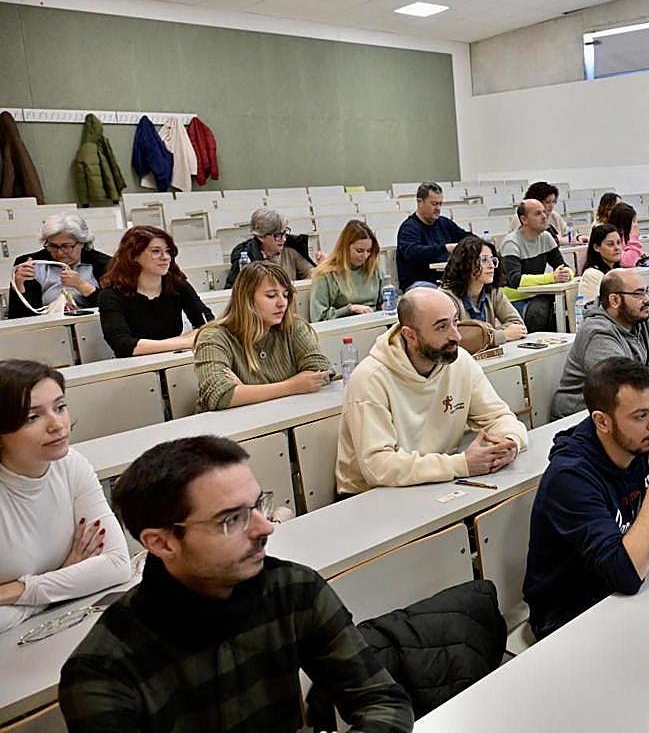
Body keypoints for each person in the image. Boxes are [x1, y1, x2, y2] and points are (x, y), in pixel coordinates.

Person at [58, 435, 414, 731]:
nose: (265, 527)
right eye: (232, 519)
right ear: (162, 543)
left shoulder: (293, 590)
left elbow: (382, 701)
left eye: (257, 505)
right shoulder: (103, 672)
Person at [523, 358, 649, 639]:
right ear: (602, 421)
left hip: (628, 592)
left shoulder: (643, 442)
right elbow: (627, 575)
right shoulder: (570, 477)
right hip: (571, 617)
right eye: (640, 416)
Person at [337, 288, 528, 493]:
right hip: (372, 496)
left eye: (455, 322)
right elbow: (378, 466)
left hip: (435, 482)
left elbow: (498, 417)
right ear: (409, 335)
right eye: (441, 327)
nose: (456, 336)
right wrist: (460, 465)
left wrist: (509, 444)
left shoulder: (459, 361)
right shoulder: (370, 379)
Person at [0, 360, 130, 633]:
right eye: (32, 417)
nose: (57, 424)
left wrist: (18, 591)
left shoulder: (71, 464)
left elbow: (118, 564)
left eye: (60, 407)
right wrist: (65, 579)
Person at [194, 262, 332, 412]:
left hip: (279, 417)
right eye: (271, 296)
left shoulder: (293, 326)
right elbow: (219, 395)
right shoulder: (213, 337)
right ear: (246, 299)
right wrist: (292, 386)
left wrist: (245, 390)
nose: (282, 303)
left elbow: (321, 370)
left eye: (285, 295)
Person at [550, 270, 649, 419]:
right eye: (638, 294)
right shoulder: (597, 333)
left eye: (647, 292)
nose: (647, 300)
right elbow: (627, 387)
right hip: (578, 419)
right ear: (615, 300)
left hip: (622, 409)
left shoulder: (642, 318)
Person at [97, 225, 213, 357]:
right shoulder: (111, 295)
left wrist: (174, 342)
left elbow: (207, 323)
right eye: (156, 251)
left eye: (168, 251)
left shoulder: (176, 284)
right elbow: (123, 345)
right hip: (137, 368)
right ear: (133, 255)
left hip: (174, 361)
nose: (166, 257)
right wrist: (185, 342)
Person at [8, 213, 110, 317]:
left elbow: (117, 308)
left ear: (82, 242)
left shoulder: (104, 264)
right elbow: (17, 317)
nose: (60, 253)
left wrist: (83, 286)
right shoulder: (29, 264)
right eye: (53, 246)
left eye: (66, 246)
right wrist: (19, 287)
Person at [499, 199, 574, 331]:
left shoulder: (546, 237)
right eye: (538, 213)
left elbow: (563, 266)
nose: (544, 217)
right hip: (514, 300)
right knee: (542, 314)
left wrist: (566, 274)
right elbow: (516, 280)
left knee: (564, 313)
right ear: (524, 220)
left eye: (544, 212)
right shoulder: (511, 243)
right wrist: (552, 278)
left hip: (538, 295)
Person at [440, 236, 526, 346]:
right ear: (466, 263)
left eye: (493, 260)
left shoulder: (493, 291)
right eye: (484, 260)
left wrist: (484, 336)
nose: (491, 266)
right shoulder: (446, 297)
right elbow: (455, 339)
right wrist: (502, 335)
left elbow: (518, 325)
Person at [395, 181, 471, 291]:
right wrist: (444, 248)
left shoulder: (444, 223)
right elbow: (412, 252)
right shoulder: (409, 228)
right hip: (419, 282)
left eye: (440, 204)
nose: (438, 208)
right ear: (420, 202)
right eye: (434, 204)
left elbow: (465, 236)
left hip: (444, 280)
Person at [308, 220, 384, 321]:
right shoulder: (326, 275)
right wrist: (350, 309)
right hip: (343, 327)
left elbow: (384, 302)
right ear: (345, 248)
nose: (365, 256)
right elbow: (318, 317)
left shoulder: (373, 268)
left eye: (369, 251)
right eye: (359, 251)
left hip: (375, 323)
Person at [224, 208, 316, 289]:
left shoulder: (291, 250)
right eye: (277, 235)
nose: (284, 239)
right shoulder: (246, 259)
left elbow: (311, 273)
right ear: (261, 236)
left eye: (284, 233)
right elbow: (235, 291)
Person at [578, 223, 623, 305]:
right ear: (596, 247)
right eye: (610, 244)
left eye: (618, 243)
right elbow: (593, 311)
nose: (617, 247)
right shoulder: (591, 275)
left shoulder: (619, 271)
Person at [609, 201, 647, 267]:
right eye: (633, 221)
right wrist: (634, 238)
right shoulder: (614, 240)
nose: (636, 225)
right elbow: (627, 263)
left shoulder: (625, 237)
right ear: (622, 225)